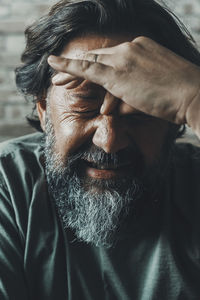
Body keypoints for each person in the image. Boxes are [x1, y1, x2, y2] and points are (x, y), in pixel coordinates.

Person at [1, 0, 200, 299]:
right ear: (43, 109)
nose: (109, 140)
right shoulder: (8, 185)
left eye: (139, 112)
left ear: (174, 122)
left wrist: (195, 99)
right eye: (84, 105)